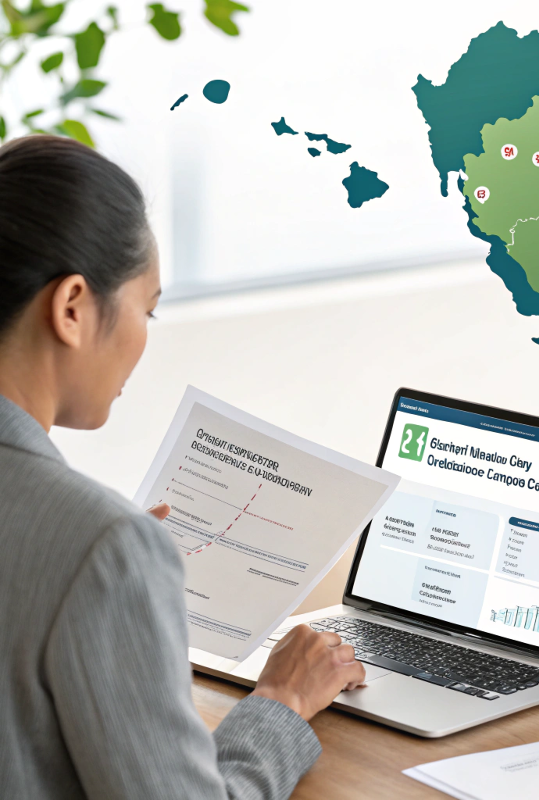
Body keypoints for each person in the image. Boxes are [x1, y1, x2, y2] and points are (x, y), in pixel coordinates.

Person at [0, 135, 366, 799]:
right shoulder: (102, 547)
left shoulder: (100, 547)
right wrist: (281, 702)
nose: (145, 335)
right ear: (73, 307)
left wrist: (106, 568)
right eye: (148, 308)